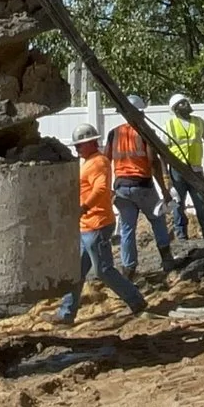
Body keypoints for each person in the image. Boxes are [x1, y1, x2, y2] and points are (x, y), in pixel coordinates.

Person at [58, 123, 147, 324]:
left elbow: (100, 190)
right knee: (77, 272)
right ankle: (65, 313)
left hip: (96, 224)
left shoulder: (98, 162)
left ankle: (136, 300)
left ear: (91, 143)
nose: (76, 149)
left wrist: (84, 207)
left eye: (80, 145)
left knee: (103, 270)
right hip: (87, 225)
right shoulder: (90, 161)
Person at [107, 97, 176, 273]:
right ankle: (167, 260)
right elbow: (153, 162)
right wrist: (164, 189)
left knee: (127, 229)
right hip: (143, 186)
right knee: (157, 219)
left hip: (121, 187)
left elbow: (104, 161)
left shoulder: (114, 133)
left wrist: (108, 189)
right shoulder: (145, 132)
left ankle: (129, 269)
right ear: (140, 111)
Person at [161, 93, 204, 239]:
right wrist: (165, 175)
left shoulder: (199, 122)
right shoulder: (170, 125)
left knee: (201, 203)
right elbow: (162, 152)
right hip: (177, 172)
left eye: (186, 102)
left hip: (196, 170)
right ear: (175, 109)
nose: (186, 105)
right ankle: (181, 235)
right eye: (182, 103)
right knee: (178, 205)